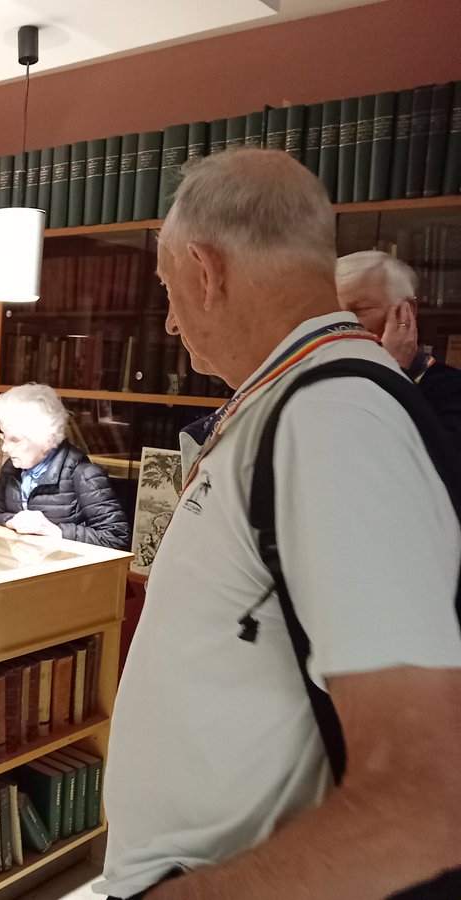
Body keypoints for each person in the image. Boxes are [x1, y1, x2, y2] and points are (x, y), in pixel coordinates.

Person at [99, 148, 461, 899]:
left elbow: (429, 799)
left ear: (206, 268)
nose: (167, 320)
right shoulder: (293, 404)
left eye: (168, 289)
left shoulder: (333, 420)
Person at [336, 249, 461, 448]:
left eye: (361, 310)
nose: (341, 322)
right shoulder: (326, 383)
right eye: (333, 312)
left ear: (407, 312)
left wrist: (391, 369)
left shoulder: (452, 391)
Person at [0, 383, 129, 550]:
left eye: (15, 440)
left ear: (46, 440)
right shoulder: (11, 468)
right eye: (4, 435)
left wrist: (54, 531)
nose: (4, 447)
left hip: (67, 571)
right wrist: (11, 521)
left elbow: (117, 537)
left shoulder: (85, 474)